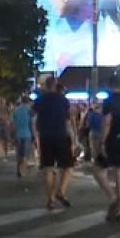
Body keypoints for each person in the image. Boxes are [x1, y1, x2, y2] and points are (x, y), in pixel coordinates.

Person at [96, 76, 120, 221]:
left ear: (110, 86)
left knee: (98, 171)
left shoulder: (109, 102)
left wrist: (102, 141)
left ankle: (113, 198)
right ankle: (119, 207)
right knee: (119, 170)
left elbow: (107, 122)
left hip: (112, 139)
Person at [33, 77, 74, 209]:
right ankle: (61, 191)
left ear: (45, 85)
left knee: (48, 168)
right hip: (61, 135)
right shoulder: (63, 100)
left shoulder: (40, 100)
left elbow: (31, 112)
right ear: (56, 85)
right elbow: (69, 117)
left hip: (45, 137)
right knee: (67, 166)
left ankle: (51, 200)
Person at [12, 97, 35, 178]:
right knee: (26, 154)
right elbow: (32, 124)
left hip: (18, 134)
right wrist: (35, 136)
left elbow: (13, 124)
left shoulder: (15, 110)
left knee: (19, 154)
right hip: (27, 134)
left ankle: (18, 169)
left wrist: (13, 135)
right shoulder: (30, 111)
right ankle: (23, 170)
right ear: (28, 102)